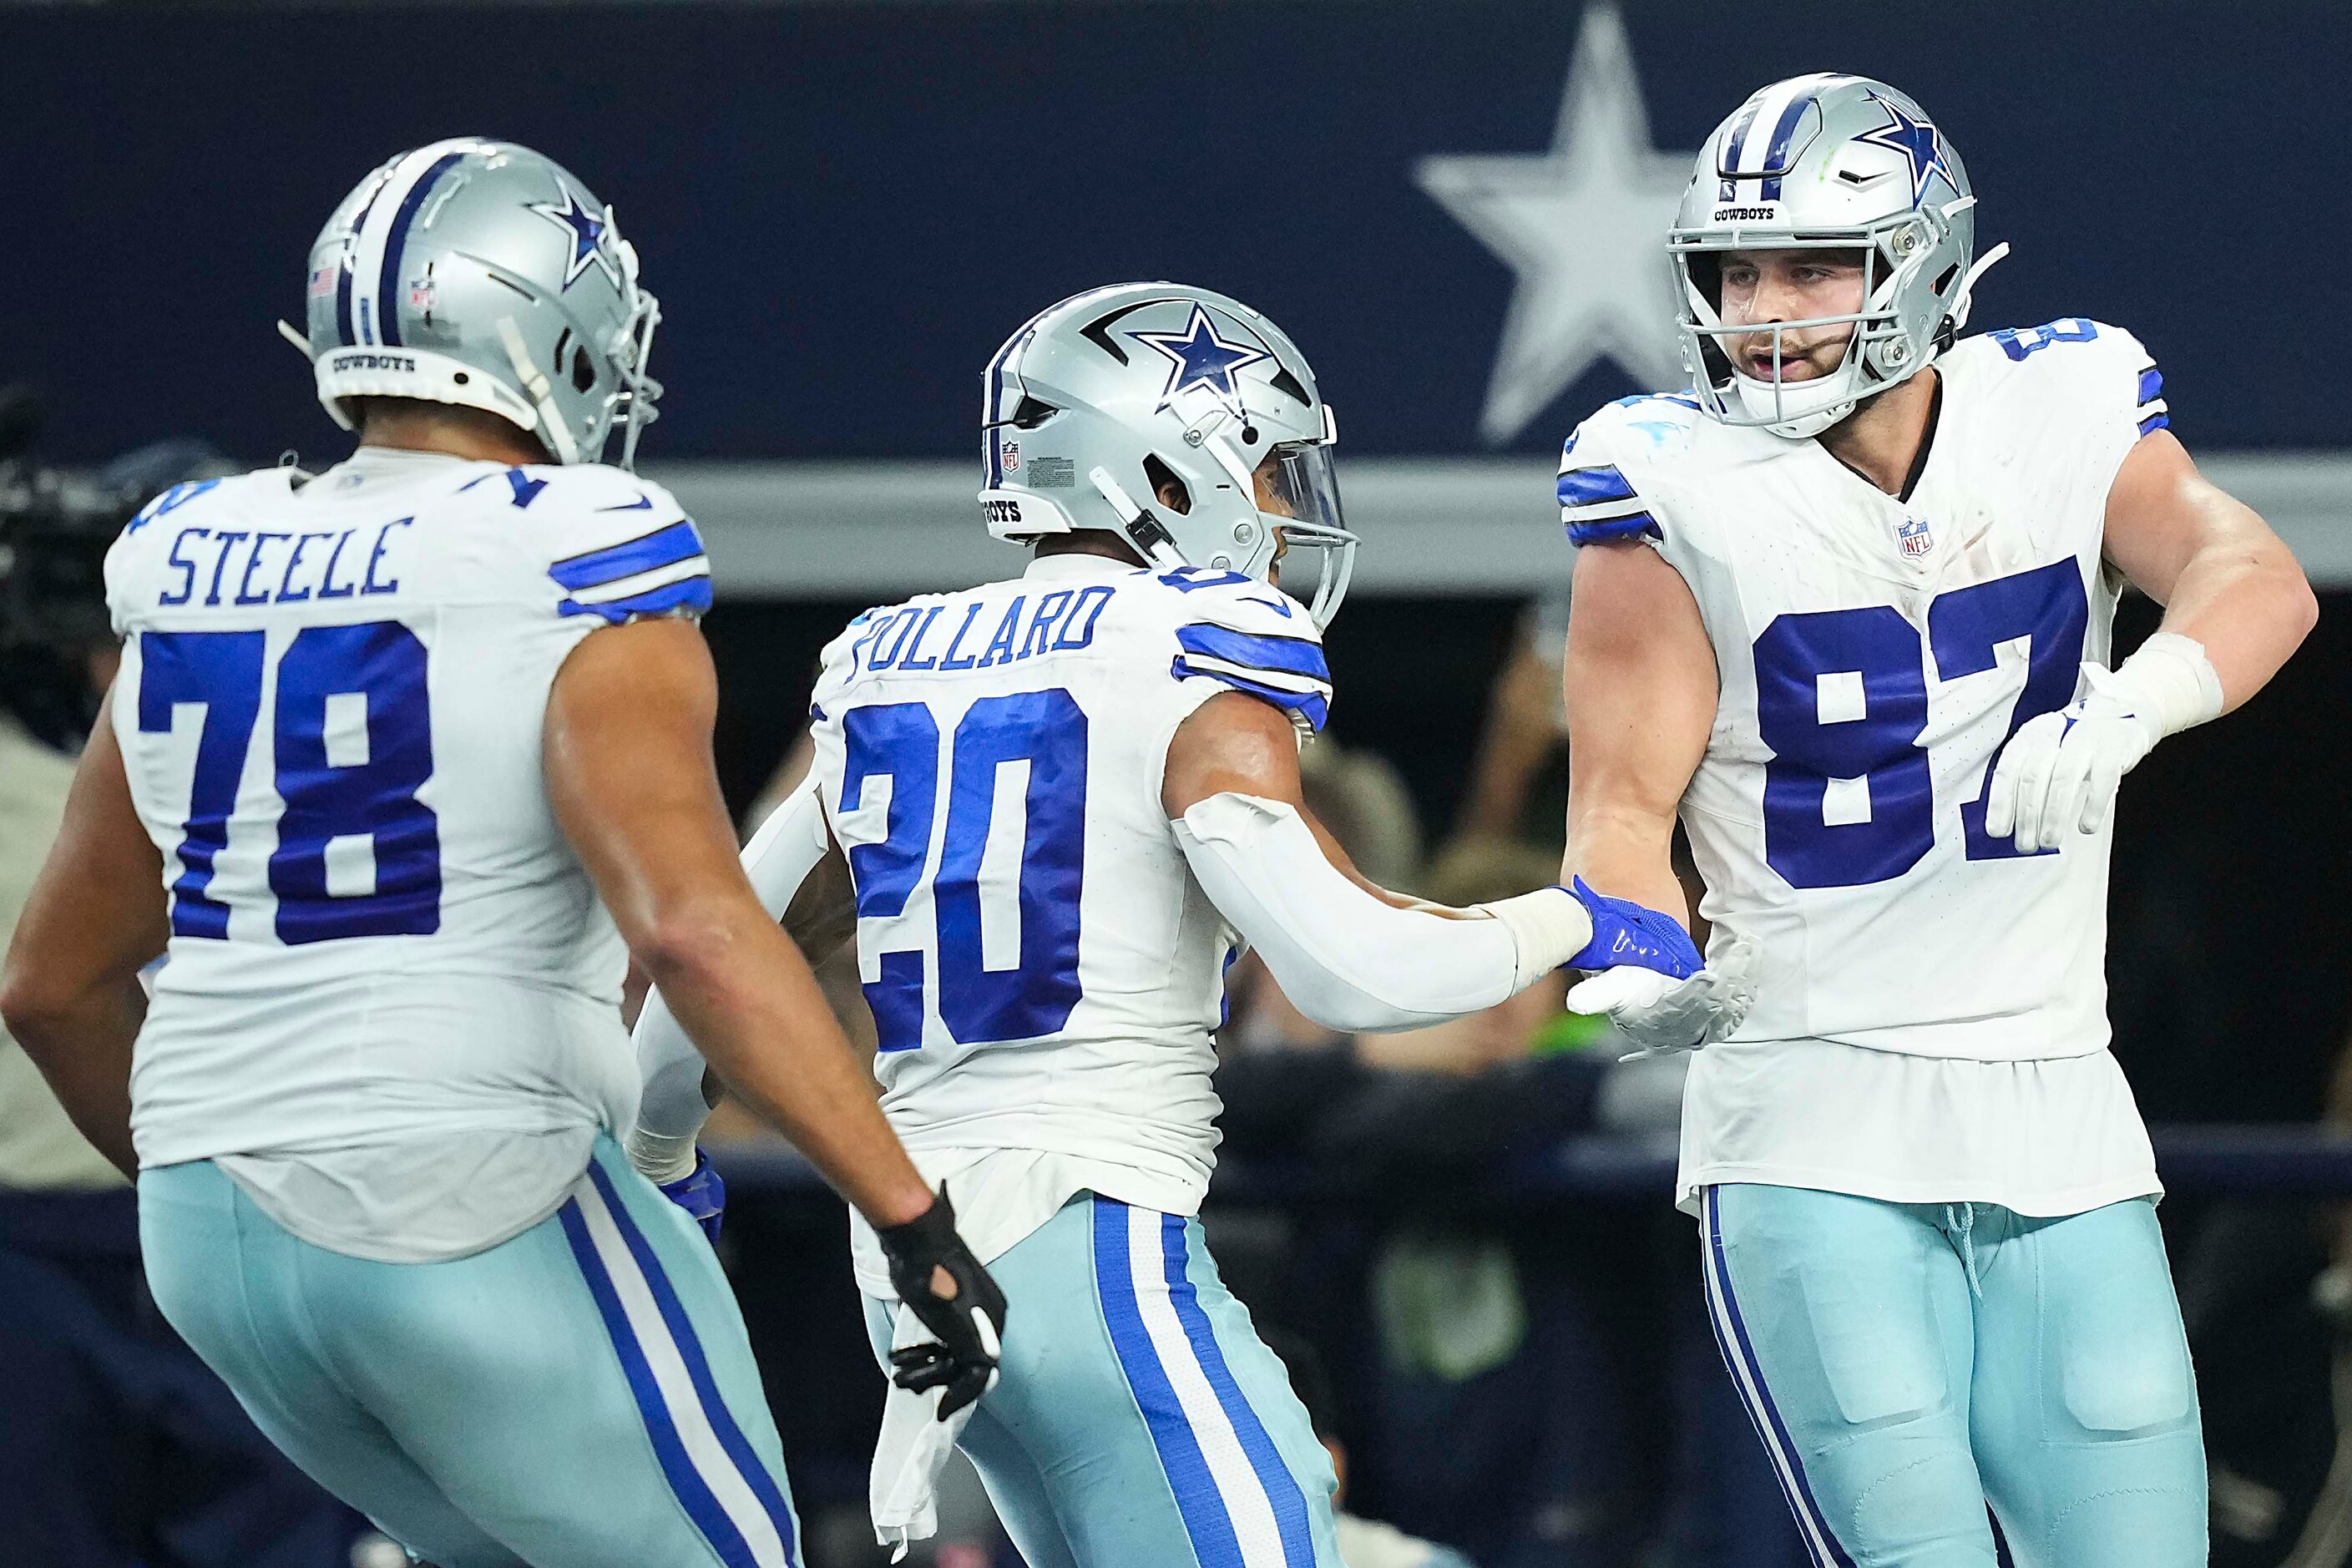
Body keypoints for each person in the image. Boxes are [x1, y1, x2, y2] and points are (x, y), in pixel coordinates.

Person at [0, 137, 1003, 1568]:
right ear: (544, 325)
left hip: (210, 1235)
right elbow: (691, 932)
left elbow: (51, 984)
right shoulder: (579, 545)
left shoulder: (189, 556)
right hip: (472, 1185)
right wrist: (912, 1215)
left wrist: (240, 1178)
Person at [629, 281, 1698, 1568]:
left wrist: (660, 1156)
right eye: (1263, 466)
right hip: (1092, 1242)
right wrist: (1574, 915)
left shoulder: (883, 660)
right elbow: (1353, 968)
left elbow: (714, 955)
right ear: (1168, 461)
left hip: (909, 1260)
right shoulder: (1196, 638)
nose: (1283, 508)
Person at [1554, 74, 2318, 1565]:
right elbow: (1619, 809)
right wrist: (1637, 949)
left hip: (2054, 1098)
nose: (1764, 306)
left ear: (1923, 261)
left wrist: (2136, 699)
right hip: (1810, 1109)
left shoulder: (2062, 399)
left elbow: (2253, 571)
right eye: (1738, 268)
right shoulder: (1667, 476)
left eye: (1814, 265)